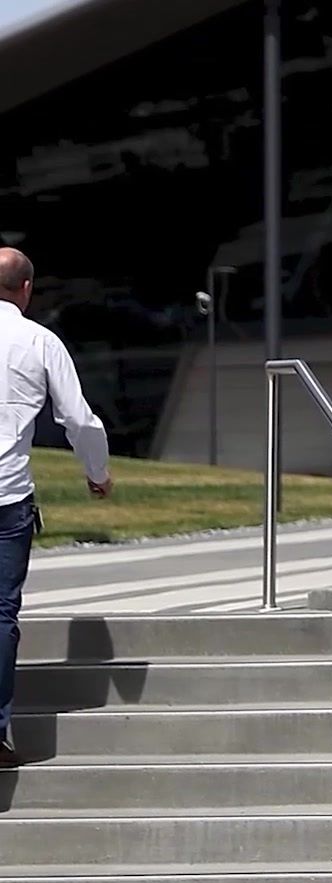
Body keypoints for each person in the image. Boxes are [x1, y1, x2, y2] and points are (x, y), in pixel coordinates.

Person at [0, 249, 111, 768]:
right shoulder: (41, 341)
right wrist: (97, 472)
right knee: (1, 613)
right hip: (8, 496)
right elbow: (78, 419)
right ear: (26, 289)